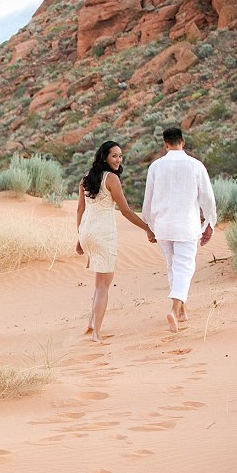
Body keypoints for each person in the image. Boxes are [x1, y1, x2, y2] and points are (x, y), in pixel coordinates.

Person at [76, 140, 156, 343]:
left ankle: (91, 324)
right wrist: (148, 228)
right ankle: (96, 334)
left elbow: (80, 210)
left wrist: (79, 238)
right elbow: (126, 211)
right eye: (114, 156)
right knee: (104, 285)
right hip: (103, 234)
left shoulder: (86, 178)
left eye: (120, 156)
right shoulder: (111, 179)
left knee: (98, 283)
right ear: (104, 157)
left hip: (86, 231)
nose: (119, 160)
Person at [142, 127, 217, 333]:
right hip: (186, 225)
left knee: (172, 267)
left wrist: (148, 226)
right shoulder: (196, 165)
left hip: (164, 226)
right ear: (182, 142)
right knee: (184, 268)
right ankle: (174, 310)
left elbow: (147, 200)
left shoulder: (156, 167)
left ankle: (182, 311)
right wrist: (209, 222)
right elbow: (207, 198)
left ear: (165, 144)